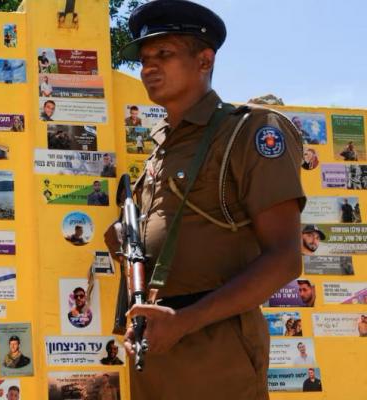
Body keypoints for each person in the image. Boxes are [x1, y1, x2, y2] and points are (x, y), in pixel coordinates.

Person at [104, 2, 305, 399]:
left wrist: (185, 320)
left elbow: (285, 258)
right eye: (144, 59)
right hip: (156, 343)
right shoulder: (161, 148)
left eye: (164, 54)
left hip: (216, 348)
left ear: (204, 59)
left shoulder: (249, 132)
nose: (149, 67)